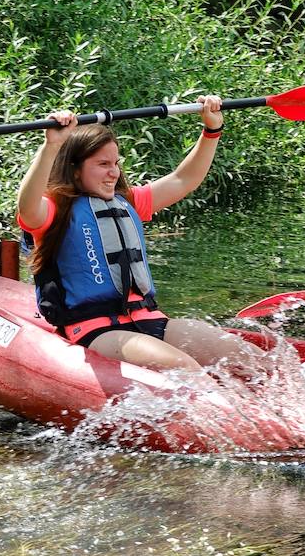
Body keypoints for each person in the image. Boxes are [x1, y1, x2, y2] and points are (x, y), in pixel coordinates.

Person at [16, 99, 264, 378]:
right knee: (187, 371)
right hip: (96, 330)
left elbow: (183, 180)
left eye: (115, 163)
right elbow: (26, 206)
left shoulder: (128, 202)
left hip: (152, 321)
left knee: (254, 361)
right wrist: (51, 147)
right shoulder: (52, 210)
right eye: (102, 164)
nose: (114, 172)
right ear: (75, 170)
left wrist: (212, 130)